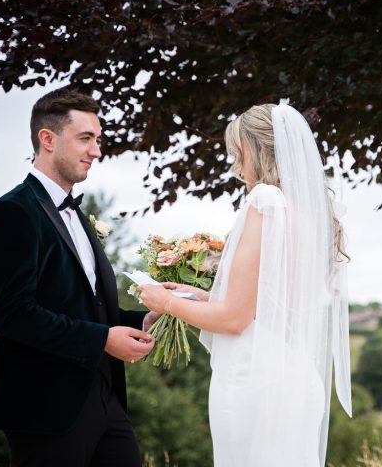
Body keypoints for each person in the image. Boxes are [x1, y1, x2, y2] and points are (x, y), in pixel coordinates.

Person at [137, 102, 352, 466]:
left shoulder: (265, 202)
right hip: (293, 374)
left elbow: (235, 319)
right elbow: (262, 304)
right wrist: (199, 296)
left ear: (253, 149)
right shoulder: (304, 213)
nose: (235, 163)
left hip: (256, 381)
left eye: (237, 151)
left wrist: (164, 302)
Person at [0, 88, 159, 467]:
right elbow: (12, 315)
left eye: (98, 140)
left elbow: (86, 307)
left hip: (107, 399)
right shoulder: (11, 214)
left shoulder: (77, 215)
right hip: (45, 408)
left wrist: (143, 319)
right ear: (47, 139)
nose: (97, 151)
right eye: (86, 139)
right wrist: (103, 340)